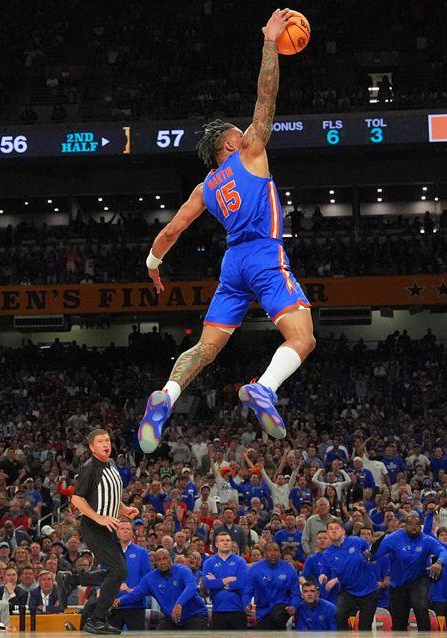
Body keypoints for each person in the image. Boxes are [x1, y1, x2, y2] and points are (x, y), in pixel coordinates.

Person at [140, 8, 316, 448]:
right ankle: (265, 388)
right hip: (263, 254)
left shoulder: (204, 188)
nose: (247, 131)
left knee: (205, 349)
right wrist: (270, 43)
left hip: (232, 263)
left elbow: (171, 232)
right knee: (303, 337)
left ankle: (166, 395)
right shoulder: (250, 150)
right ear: (232, 142)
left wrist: (153, 264)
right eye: (241, 131)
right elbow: (266, 95)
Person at [67, 429, 139, 635]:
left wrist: (124, 509)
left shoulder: (112, 463)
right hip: (94, 527)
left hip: (109, 526)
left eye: (107, 440)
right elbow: (76, 498)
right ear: (92, 447)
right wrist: (98, 517)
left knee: (118, 571)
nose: (106, 444)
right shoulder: (89, 467)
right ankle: (96, 619)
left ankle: (74, 580)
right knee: (118, 571)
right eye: (100, 441)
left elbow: (110, 494)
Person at [373, 513, 447, 631]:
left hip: (419, 579)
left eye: (417, 525)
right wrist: (370, 554)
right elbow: (375, 555)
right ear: (405, 526)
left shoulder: (427, 540)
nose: (414, 527)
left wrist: (439, 562)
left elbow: (444, 552)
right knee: (399, 619)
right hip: (398, 583)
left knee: (420, 608)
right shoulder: (394, 538)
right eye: (410, 524)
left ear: (420, 526)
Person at [114, 548, 208, 630]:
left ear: (170, 559)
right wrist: (118, 601)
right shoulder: (149, 579)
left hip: (195, 615)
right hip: (170, 619)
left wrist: (179, 603)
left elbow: (191, 586)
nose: (163, 562)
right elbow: (135, 594)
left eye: (165, 558)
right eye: (159, 560)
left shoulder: (183, 570)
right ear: (155, 562)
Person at [322, 519, 378, 631]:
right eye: (331, 529)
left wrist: (368, 555)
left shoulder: (355, 541)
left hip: (368, 589)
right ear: (327, 533)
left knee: (365, 627)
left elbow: (370, 550)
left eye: (337, 528)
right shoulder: (327, 554)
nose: (334, 531)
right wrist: (323, 577)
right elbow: (324, 572)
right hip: (348, 590)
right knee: (339, 616)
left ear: (343, 531)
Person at [245, 541, 300, 629]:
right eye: (269, 551)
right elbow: (247, 591)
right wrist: (246, 603)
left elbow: (296, 594)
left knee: (277, 614)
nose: (273, 553)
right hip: (262, 613)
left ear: (279, 553)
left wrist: (294, 605)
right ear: (264, 553)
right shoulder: (255, 569)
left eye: (276, 550)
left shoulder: (289, 569)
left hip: (282, 612)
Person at [201, 530, 250, 629]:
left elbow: (242, 583)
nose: (225, 542)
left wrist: (217, 581)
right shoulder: (208, 562)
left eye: (228, 540)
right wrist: (227, 580)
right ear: (216, 544)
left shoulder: (240, 561)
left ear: (231, 543)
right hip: (218, 610)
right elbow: (208, 584)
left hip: (238, 609)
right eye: (222, 540)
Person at [109, 519, 151, 630]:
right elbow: (102, 575)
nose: (125, 531)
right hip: (112, 605)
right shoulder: (110, 552)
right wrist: (102, 593)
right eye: (122, 528)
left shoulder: (142, 552)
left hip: (135, 606)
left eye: (128, 529)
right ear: (117, 532)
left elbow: (146, 578)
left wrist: (133, 591)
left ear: (132, 533)